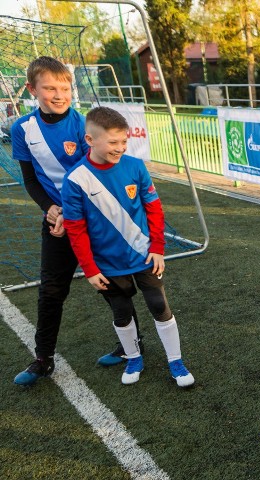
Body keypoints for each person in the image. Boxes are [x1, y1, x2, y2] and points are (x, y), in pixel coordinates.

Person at [11, 56, 140, 387]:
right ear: (32, 89)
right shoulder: (22, 129)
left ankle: (131, 349)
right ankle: (43, 359)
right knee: (51, 290)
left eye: (64, 88)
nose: (58, 94)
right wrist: (49, 209)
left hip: (94, 222)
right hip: (56, 223)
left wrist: (70, 214)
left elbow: (96, 178)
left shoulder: (86, 126)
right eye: (50, 88)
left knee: (115, 285)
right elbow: (30, 180)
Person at [60, 106, 194, 388]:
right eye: (112, 142)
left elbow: (154, 209)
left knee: (159, 305)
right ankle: (133, 357)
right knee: (121, 313)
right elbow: (75, 229)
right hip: (106, 264)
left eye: (123, 141)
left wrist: (157, 246)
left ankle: (176, 361)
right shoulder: (75, 179)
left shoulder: (135, 166)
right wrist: (90, 268)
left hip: (145, 255)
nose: (120, 148)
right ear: (90, 140)